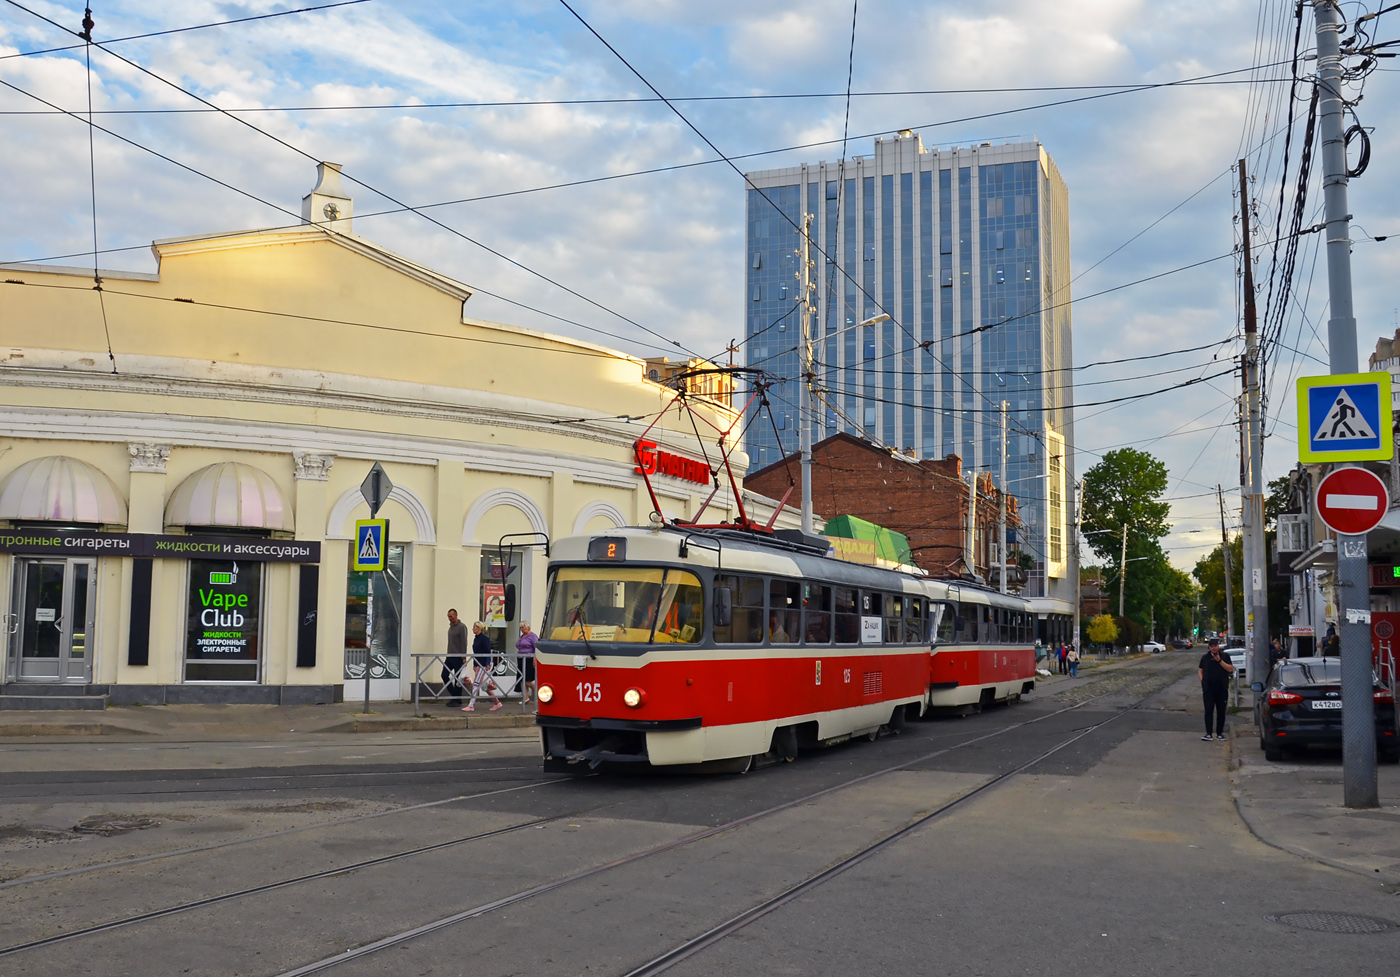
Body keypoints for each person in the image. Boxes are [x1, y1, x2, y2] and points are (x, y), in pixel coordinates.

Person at [1197, 636, 1236, 741]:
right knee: (1208, 711)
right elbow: (1200, 669)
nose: (1213, 648)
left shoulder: (1225, 656)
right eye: (1211, 646)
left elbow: (1230, 669)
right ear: (1209, 647)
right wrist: (1203, 681)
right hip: (1209, 689)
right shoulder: (1205, 657)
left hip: (1222, 689)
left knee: (1221, 711)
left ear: (1218, 646)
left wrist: (1219, 661)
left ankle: (1219, 733)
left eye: (1215, 646)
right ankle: (1208, 733)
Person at [463, 621, 503, 712]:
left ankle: (471, 705)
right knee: (485, 686)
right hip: (477, 664)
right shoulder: (476, 638)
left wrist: (487, 663)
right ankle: (497, 702)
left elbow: (488, 652)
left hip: (483, 664)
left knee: (476, 684)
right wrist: (474, 665)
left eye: (475, 627)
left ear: (479, 628)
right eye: (473, 627)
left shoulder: (484, 638)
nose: (473, 629)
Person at [443, 608, 468, 707]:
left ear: (456, 615)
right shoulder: (451, 627)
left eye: (451, 616)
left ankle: (457, 700)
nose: (449, 618)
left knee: (458, 679)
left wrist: (463, 657)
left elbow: (464, 642)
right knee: (444, 675)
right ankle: (455, 696)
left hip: (458, 657)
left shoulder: (461, 627)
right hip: (450, 656)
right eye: (448, 617)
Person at [516, 621, 538, 705]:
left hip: (529, 659)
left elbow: (536, 647)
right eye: (521, 628)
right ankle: (525, 698)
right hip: (521, 659)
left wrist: (534, 658)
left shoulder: (532, 636)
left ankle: (539, 695)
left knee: (530, 680)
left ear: (528, 627)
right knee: (522, 680)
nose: (522, 629)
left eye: (523, 627)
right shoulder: (522, 637)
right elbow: (518, 645)